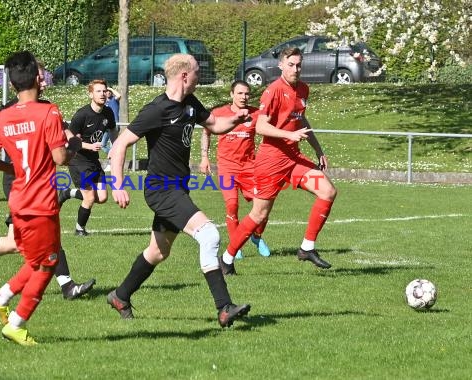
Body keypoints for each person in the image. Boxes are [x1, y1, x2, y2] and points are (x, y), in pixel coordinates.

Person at [107, 53, 251, 328]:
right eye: (197, 72)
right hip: (161, 191)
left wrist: (237, 118)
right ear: (185, 75)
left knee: (158, 252)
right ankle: (224, 307)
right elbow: (119, 146)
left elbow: (216, 125)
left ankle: (120, 295)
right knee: (209, 235)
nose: (200, 77)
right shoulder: (156, 109)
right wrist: (118, 185)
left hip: (178, 189)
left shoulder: (190, 103)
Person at [0, 62, 95, 300]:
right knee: (37, 239)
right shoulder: (5, 112)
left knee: (21, 241)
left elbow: (64, 132)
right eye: (42, 77)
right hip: (24, 183)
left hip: (37, 181)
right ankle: (12, 296)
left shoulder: (46, 108)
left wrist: (73, 139)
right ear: (30, 79)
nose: (45, 82)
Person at [0, 50, 82, 345]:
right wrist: (74, 145)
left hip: (18, 198)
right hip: (41, 202)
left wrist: (8, 167)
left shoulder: (2, 117)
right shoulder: (49, 112)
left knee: (35, 261)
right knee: (48, 264)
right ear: (37, 77)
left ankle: (0, 298)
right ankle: (17, 323)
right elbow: (60, 157)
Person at [219, 47, 337, 275]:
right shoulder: (272, 91)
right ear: (281, 66)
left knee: (328, 191)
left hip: (293, 158)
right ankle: (227, 258)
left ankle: (307, 247)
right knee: (259, 214)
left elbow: (301, 120)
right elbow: (261, 126)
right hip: (271, 160)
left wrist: (318, 149)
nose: (295, 69)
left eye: (298, 64)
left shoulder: (303, 89)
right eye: (291, 65)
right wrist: (289, 135)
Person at [199, 80, 271, 263]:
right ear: (232, 95)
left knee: (263, 208)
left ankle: (256, 236)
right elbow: (206, 132)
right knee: (232, 205)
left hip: (250, 169)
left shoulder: (256, 114)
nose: (243, 97)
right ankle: (235, 245)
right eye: (239, 93)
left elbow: (270, 130)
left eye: (246, 94)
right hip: (227, 169)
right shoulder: (219, 113)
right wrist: (204, 157)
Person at [57, 79, 118, 236]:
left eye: (104, 91)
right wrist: (89, 146)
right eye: (98, 91)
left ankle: (67, 193)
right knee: (89, 198)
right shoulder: (82, 115)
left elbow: (112, 131)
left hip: (93, 161)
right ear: (91, 94)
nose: (103, 94)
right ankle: (79, 229)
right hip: (78, 160)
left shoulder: (108, 112)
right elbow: (71, 141)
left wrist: (116, 146)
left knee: (102, 197)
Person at [101, 86, 121, 156]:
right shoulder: (103, 103)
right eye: (107, 91)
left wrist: (110, 89)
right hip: (106, 126)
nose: (108, 93)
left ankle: (113, 159)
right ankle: (114, 156)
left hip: (114, 125)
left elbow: (119, 95)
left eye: (110, 92)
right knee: (103, 145)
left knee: (114, 145)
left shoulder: (114, 100)